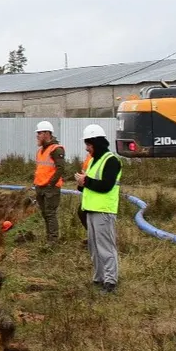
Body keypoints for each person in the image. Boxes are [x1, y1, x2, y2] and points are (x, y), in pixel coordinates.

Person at [78, 123, 122, 293]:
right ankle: (99, 278)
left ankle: (110, 282)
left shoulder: (111, 161)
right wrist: (82, 183)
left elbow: (105, 186)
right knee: (94, 247)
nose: (87, 148)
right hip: (90, 209)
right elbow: (87, 186)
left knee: (105, 247)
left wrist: (86, 181)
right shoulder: (93, 161)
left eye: (88, 144)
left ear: (96, 143)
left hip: (103, 210)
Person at [31, 121, 67, 245]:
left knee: (50, 213)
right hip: (40, 187)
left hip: (50, 188)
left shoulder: (56, 149)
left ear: (47, 134)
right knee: (45, 213)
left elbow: (60, 168)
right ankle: (49, 238)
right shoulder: (41, 151)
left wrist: (51, 184)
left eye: (39, 133)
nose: (37, 136)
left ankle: (53, 240)